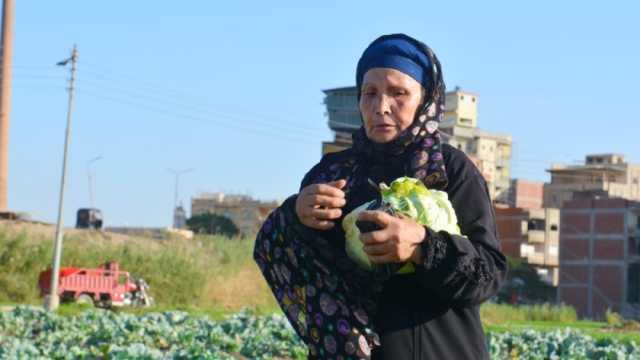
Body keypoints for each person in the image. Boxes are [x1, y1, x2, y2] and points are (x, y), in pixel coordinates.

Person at [253, 33, 507, 360]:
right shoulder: (331, 175)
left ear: (426, 99)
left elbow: (487, 275)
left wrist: (423, 247)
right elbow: (308, 271)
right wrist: (294, 218)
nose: (381, 107)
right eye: (369, 93)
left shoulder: (450, 170)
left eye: (398, 93)